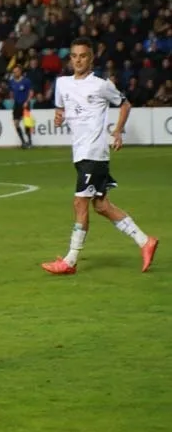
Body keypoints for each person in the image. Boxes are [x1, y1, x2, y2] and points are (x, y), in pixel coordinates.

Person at [41, 38, 159, 275]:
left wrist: (117, 130)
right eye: (74, 56)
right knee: (102, 206)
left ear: (91, 58)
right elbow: (60, 111)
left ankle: (70, 260)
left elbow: (125, 104)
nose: (78, 60)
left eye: (83, 56)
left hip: (94, 152)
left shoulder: (101, 85)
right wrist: (58, 117)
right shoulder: (62, 83)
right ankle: (145, 241)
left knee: (79, 202)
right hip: (81, 153)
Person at [9, 65, 34, 148]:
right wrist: (12, 99)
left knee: (27, 123)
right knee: (16, 123)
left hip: (25, 104)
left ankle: (29, 141)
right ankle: (23, 142)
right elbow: (11, 92)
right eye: (14, 72)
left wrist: (27, 101)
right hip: (17, 104)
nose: (15, 73)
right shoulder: (12, 81)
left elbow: (31, 92)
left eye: (16, 71)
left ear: (20, 71)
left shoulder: (26, 81)